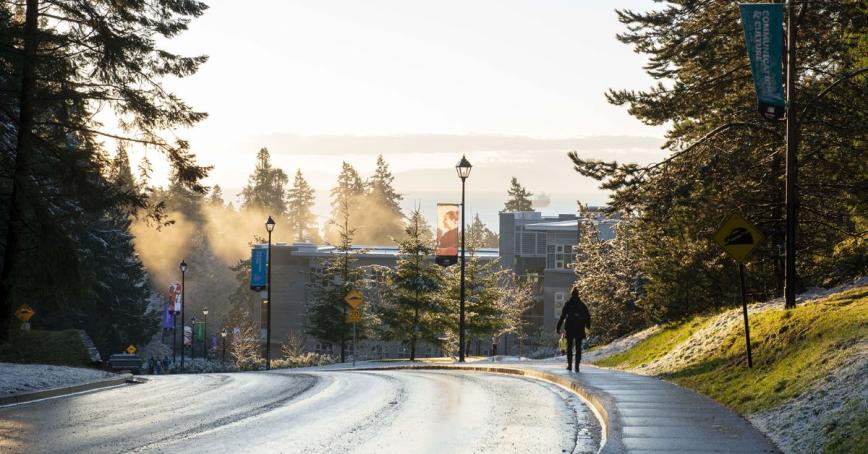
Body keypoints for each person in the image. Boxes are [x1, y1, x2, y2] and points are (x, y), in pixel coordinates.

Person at [556, 287, 591, 372]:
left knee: (569, 348)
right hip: (579, 329)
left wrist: (558, 327)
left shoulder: (568, 304)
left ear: (571, 294)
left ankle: (570, 365)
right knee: (578, 347)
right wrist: (587, 327)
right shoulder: (582, 305)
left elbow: (562, 316)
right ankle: (577, 366)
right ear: (578, 294)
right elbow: (588, 316)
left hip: (570, 328)